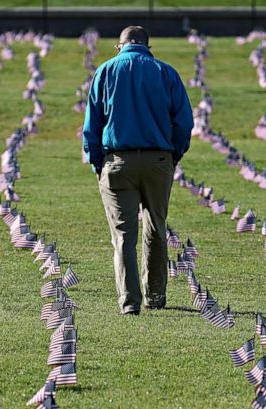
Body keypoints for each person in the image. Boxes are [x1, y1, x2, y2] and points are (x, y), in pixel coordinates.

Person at [83, 26, 194, 315]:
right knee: (156, 227)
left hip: (117, 160)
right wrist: (173, 156)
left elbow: (92, 125)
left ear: (119, 47)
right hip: (158, 161)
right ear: (148, 46)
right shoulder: (165, 72)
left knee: (123, 235)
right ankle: (155, 294)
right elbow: (183, 122)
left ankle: (129, 301)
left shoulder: (106, 72)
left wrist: (98, 163)